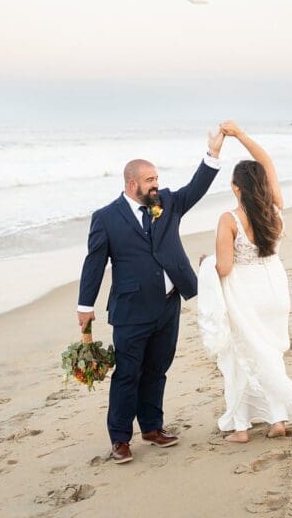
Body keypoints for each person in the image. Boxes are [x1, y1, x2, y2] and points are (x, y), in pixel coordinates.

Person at [77, 129, 223, 464]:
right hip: (131, 311)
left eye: (157, 177)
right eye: (149, 179)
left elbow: (196, 188)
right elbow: (94, 263)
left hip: (168, 304)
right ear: (132, 184)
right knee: (128, 373)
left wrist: (212, 153)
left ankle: (152, 428)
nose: (155, 184)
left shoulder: (167, 203)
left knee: (158, 368)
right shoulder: (106, 218)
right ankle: (120, 439)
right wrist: (85, 306)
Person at [196, 121, 292, 442]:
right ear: (262, 184)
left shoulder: (229, 219)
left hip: (245, 294)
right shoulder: (275, 209)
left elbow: (223, 268)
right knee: (270, 355)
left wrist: (204, 263)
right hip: (275, 289)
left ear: (236, 188)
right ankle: (277, 420)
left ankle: (241, 428)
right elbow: (268, 163)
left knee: (241, 357)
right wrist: (240, 136)